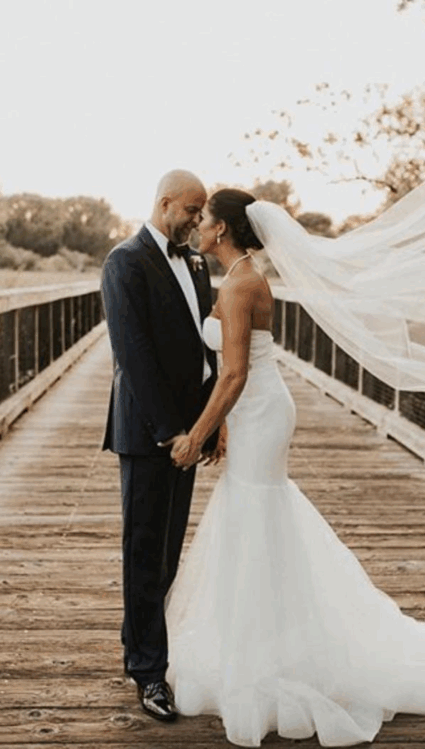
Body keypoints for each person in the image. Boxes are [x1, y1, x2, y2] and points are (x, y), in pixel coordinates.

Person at [164, 188, 425, 747]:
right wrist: (222, 424)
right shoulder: (241, 275)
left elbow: (236, 374)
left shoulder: (243, 283)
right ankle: (264, 641)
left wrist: (196, 434)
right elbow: (233, 369)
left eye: (206, 220)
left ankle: (266, 654)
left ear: (220, 230)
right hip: (252, 414)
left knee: (256, 512)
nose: (198, 227)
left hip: (261, 411)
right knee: (255, 515)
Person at [100, 170, 221, 722]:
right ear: (165, 202)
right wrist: (171, 430)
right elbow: (135, 356)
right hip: (151, 435)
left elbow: (206, 347)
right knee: (144, 551)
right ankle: (148, 673)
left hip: (191, 433)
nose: (197, 221)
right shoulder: (124, 261)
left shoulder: (196, 264)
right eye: (191, 211)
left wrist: (207, 426)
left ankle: (143, 643)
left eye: (202, 214)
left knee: (169, 551)